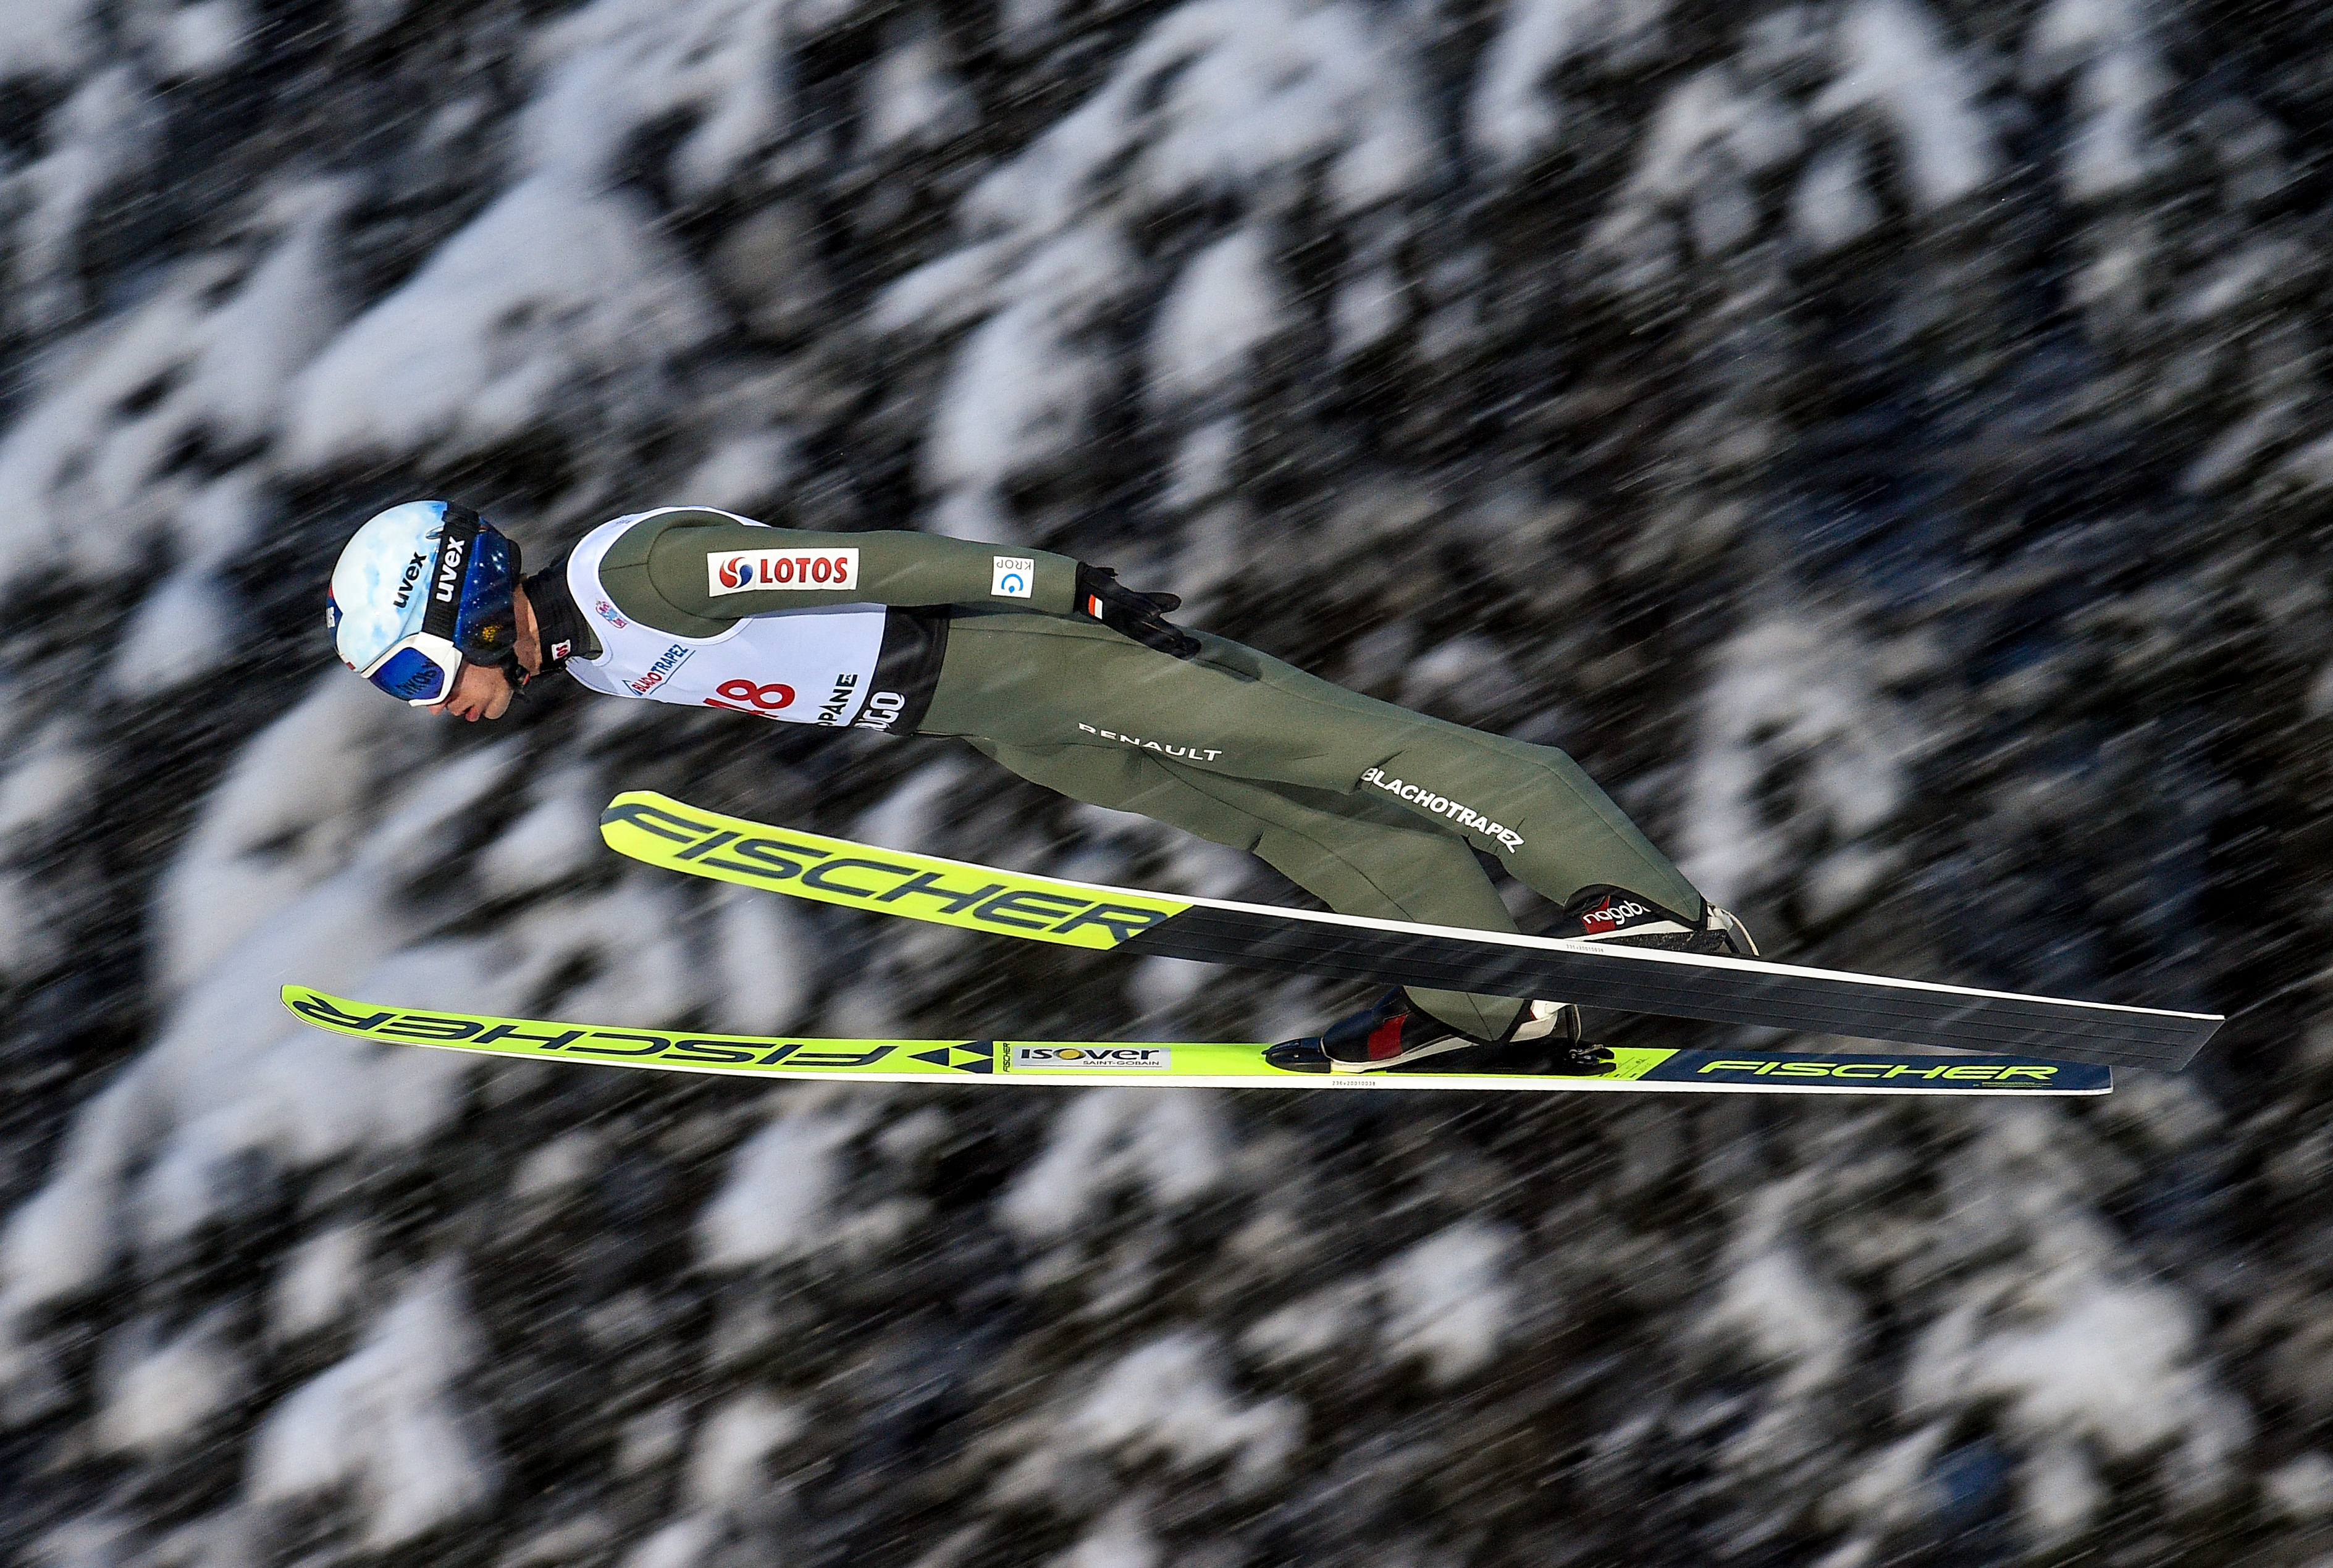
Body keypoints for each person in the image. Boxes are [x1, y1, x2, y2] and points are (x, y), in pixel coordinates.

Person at [328, 500, 1754, 1073]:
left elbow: (861, 564)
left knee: (1351, 751)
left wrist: (1062, 590)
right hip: (997, 719)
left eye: (413, 674)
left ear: (460, 599)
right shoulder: (583, 656)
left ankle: (1642, 907)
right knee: (1287, 819)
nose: (434, 707)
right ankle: (1493, 1001)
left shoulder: (629, 577)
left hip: (1024, 650)